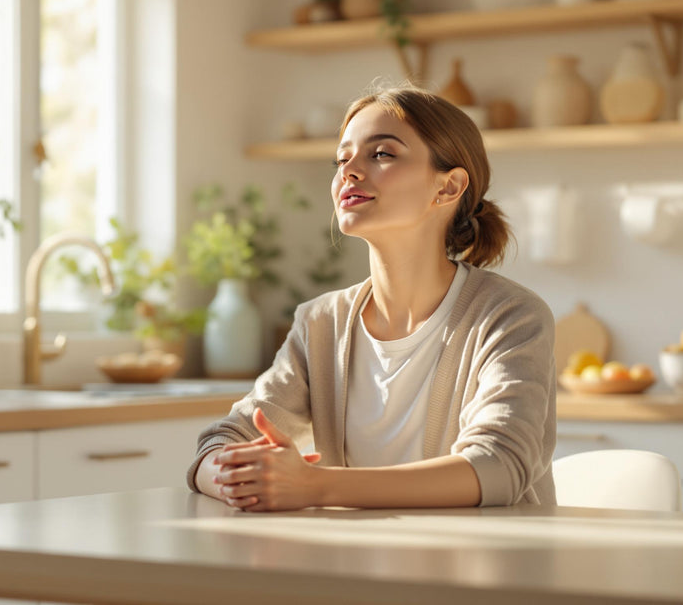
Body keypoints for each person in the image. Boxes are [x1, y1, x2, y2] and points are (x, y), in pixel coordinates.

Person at [186, 85, 557, 512]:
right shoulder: (320, 323)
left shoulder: (510, 317)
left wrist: (314, 486)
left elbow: (497, 468)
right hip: (357, 570)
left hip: (485, 570)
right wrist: (237, 476)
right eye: (341, 159)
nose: (350, 171)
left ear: (449, 187)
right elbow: (219, 443)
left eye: (381, 154)